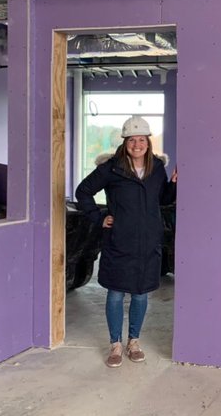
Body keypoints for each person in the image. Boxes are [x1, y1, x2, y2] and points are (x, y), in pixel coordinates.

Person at [75, 116, 177, 369]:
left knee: (141, 294)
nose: (137, 144)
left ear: (148, 142)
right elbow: (83, 191)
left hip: (148, 241)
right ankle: (115, 344)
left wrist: (174, 184)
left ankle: (134, 341)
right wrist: (99, 217)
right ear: (124, 142)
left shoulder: (156, 167)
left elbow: (162, 199)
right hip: (119, 240)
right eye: (132, 140)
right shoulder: (111, 169)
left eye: (141, 139)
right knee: (116, 292)